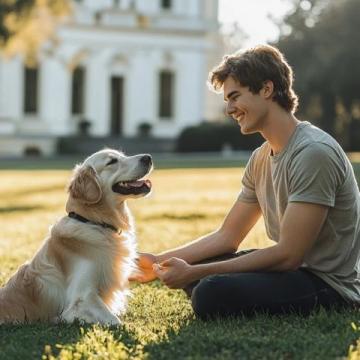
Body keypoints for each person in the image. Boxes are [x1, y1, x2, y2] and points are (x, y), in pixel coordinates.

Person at [130, 45, 360, 319]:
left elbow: (289, 254)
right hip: (292, 272)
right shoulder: (260, 158)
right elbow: (228, 236)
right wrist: (157, 261)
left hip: (327, 285)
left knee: (209, 292)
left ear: (266, 89)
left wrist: (194, 272)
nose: (229, 109)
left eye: (235, 96)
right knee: (202, 271)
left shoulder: (313, 153)